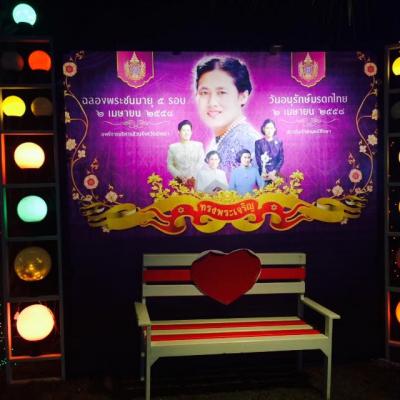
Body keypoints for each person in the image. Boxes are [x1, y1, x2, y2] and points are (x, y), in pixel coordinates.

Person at [195, 56, 260, 175]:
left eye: (222, 92)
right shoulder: (220, 138)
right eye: (204, 92)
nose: (212, 102)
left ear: (243, 96)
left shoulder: (247, 141)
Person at [167, 120, 204, 186]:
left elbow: (201, 162)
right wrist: (179, 175)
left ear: (191, 132)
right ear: (179, 132)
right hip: (179, 182)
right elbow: (170, 165)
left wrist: (192, 175)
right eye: (184, 130)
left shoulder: (198, 145)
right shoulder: (173, 147)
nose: (186, 133)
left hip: (196, 181)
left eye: (188, 130)